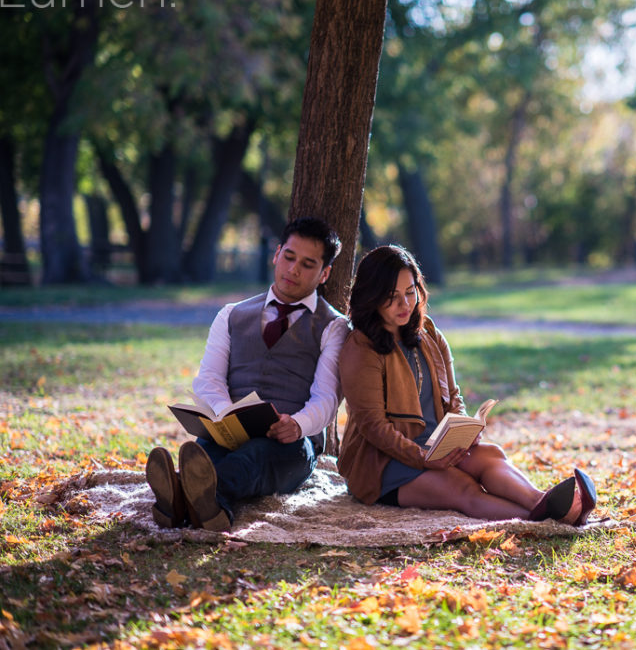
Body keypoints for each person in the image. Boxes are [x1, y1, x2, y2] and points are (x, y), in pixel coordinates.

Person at [337, 245, 596, 525]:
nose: (405, 305)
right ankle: (545, 520)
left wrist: (463, 430)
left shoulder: (429, 334)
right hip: (382, 462)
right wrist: (424, 459)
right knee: (460, 487)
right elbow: (374, 428)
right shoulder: (361, 348)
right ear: (372, 297)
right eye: (392, 297)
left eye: (410, 292)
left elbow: (453, 395)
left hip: (435, 445)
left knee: (490, 455)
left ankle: (540, 501)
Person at [145, 217, 349, 531]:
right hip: (229, 431)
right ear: (277, 254)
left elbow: (327, 397)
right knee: (203, 453)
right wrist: (228, 415)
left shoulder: (333, 326)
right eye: (289, 257)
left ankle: (181, 497)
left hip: (289, 444)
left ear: (325, 274)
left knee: (252, 458)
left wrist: (297, 425)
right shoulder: (231, 314)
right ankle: (205, 507)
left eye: (308, 265)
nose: (293, 269)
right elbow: (209, 377)